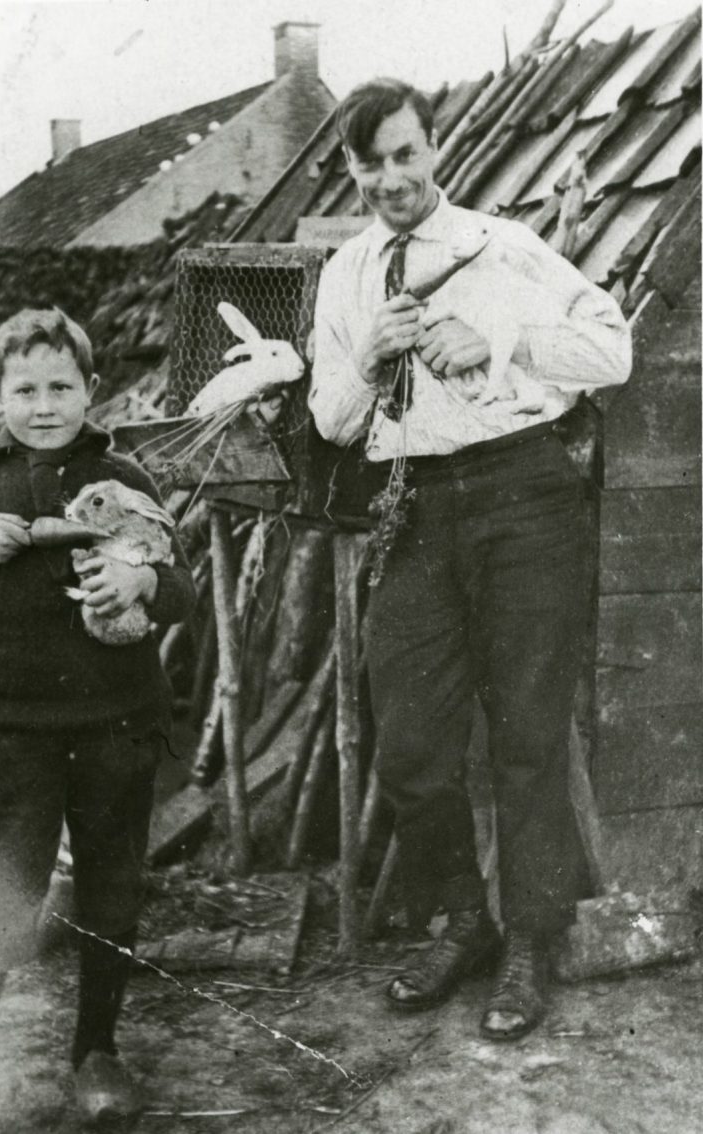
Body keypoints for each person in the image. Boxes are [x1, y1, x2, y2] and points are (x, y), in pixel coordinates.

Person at [309, 78, 631, 1040]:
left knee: (528, 732)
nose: (391, 179)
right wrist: (369, 358)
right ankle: (462, 921)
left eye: (406, 155)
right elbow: (331, 422)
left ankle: (530, 939)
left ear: (435, 148)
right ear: (352, 168)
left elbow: (611, 352)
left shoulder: (503, 246)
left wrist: (497, 337)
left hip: (523, 493)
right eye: (370, 165)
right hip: (412, 503)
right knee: (410, 737)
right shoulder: (346, 275)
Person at [0, 308, 195, 1129]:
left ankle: (96, 1053)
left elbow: (182, 588)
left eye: (61, 387)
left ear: (91, 390)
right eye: (25, 390)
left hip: (119, 723)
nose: (44, 406)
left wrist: (144, 584)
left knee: (111, 887)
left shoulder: (127, 477)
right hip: (12, 734)